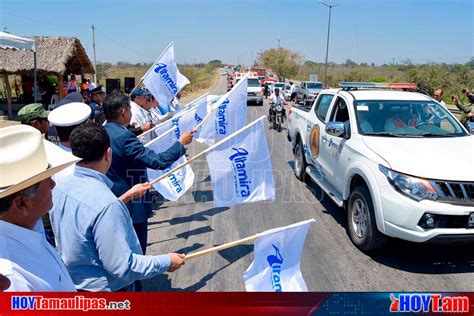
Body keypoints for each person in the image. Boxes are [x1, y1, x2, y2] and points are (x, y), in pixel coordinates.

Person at [50, 123, 185, 292]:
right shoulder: (106, 205)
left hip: (73, 283)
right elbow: (122, 266)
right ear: (108, 154)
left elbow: (88, 219)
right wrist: (166, 261)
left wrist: (126, 197)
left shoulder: (60, 187)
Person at [103, 93, 194, 256]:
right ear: (124, 111)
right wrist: (180, 144)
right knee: (136, 252)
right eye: (130, 109)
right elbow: (157, 161)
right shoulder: (124, 137)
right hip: (132, 203)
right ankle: (135, 282)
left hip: (110, 198)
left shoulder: (103, 131)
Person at [0, 124, 78, 291]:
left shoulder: (30, 225)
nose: (53, 183)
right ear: (22, 204)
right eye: (46, 180)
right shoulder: (12, 279)